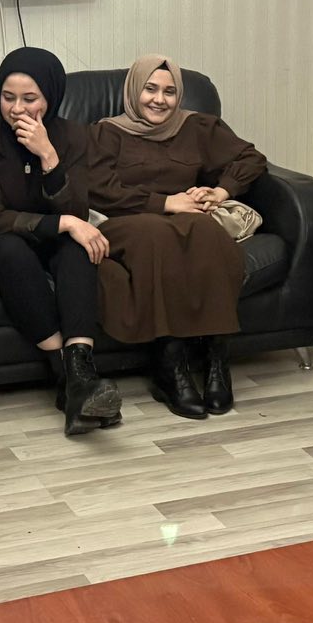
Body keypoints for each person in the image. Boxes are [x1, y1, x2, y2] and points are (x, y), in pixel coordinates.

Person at [0, 47, 122, 436]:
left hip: (46, 237)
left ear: (51, 96)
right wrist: (64, 222)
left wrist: (48, 156)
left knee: (78, 246)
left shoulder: (72, 136)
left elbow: (76, 209)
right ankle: (68, 376)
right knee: (13, 249)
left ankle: (78, 377)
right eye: (7, 97)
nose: (17, 109)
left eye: (30, 99)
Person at [86, 55, 268, 420]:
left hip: (186, 219)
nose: (159, 99)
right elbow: (98, 188)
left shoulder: (197, 126)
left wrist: (220, 191)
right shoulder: (106, 132)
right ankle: (170, 366)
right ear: (134, 91)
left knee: (208, 230)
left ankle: (217, 359)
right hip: (127, 220)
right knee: (157, 234)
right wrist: (165, 203)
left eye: (169, 92)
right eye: (150, 89)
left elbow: (252, 158)